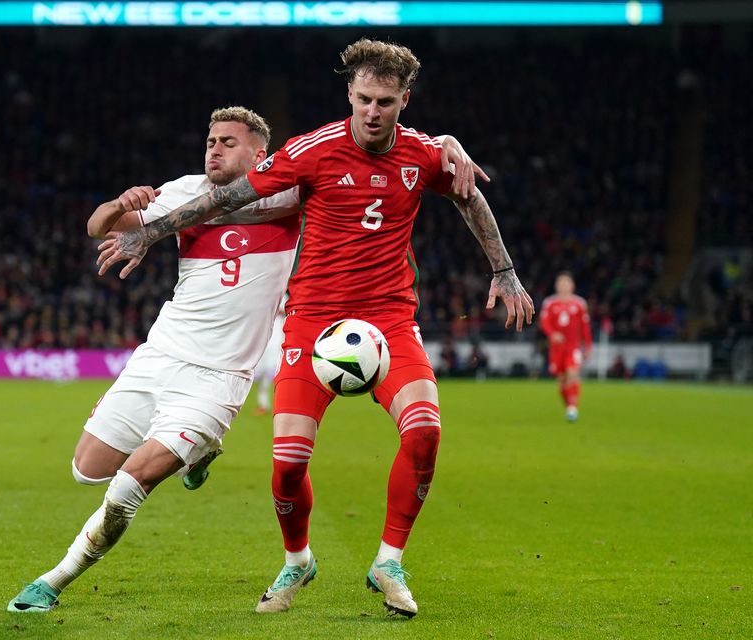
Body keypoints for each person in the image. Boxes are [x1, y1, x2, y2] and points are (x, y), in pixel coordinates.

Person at [96, 38, 534, 618]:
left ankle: (389, 561)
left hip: (389, 320)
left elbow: (471, 200)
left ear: (404, 99)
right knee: (288, 465)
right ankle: (297, 559)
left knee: (425, 430)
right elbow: (228, 197)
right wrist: (150, 230)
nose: (372, 112)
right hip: (311, 322)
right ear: (348, 95)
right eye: (362, 100)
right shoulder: (313, 151)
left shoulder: (425, 155)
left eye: (384, 101)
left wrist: (503, 269)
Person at [6, 106, 304, 612]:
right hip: (161, 353)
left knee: (130, 482)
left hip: (219, 376)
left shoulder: (287, 194)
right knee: (87, 469)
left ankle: (53, 580)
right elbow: (97, 225)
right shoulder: (184, 190)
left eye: (228, 142)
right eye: (211, 140)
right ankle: (201, 453)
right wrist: (118, 203)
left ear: (259, 153)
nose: (214, 148)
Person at [539, 271, 592, 421]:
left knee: (572, 374)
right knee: (562, 379)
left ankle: (573, 407)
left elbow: (585, 327)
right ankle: (569, 406)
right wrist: (552, 334)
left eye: (566, 283)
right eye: (561, 283)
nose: (563, 286)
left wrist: (587, 346)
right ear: (557, 286)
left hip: (573, 347)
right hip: (556, 349)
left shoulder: (579, 303)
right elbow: (544, 323)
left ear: (572, 285)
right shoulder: (550, 303)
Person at [252, 297, 286, 416]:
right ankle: (264, 404)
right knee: (259, 375)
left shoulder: (283, 295)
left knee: (274, 374)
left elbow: (286, 311)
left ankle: (268, 405)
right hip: (263, 341)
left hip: (277, 341)